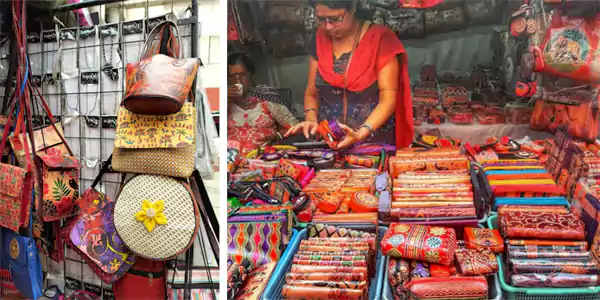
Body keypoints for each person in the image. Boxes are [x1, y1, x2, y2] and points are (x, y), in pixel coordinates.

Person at [284, 0, 413, 149]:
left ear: (352, 9)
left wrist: (361, 133)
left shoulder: (381, 39)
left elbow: (388, 99)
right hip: (330, 142)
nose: (328, 26)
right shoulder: (319, 39)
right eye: (320, 19)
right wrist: (311, 120)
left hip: (372, 143)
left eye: (335, 18)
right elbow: (312, 93)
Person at [227, 53, 299, 154]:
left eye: (242, 75)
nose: (237, 80)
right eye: (232, 76)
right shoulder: (226, 103)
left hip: (265, 159)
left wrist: (277, 135)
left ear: (252, 77)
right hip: (231, 161)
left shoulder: (268, 100)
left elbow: (295, 128)